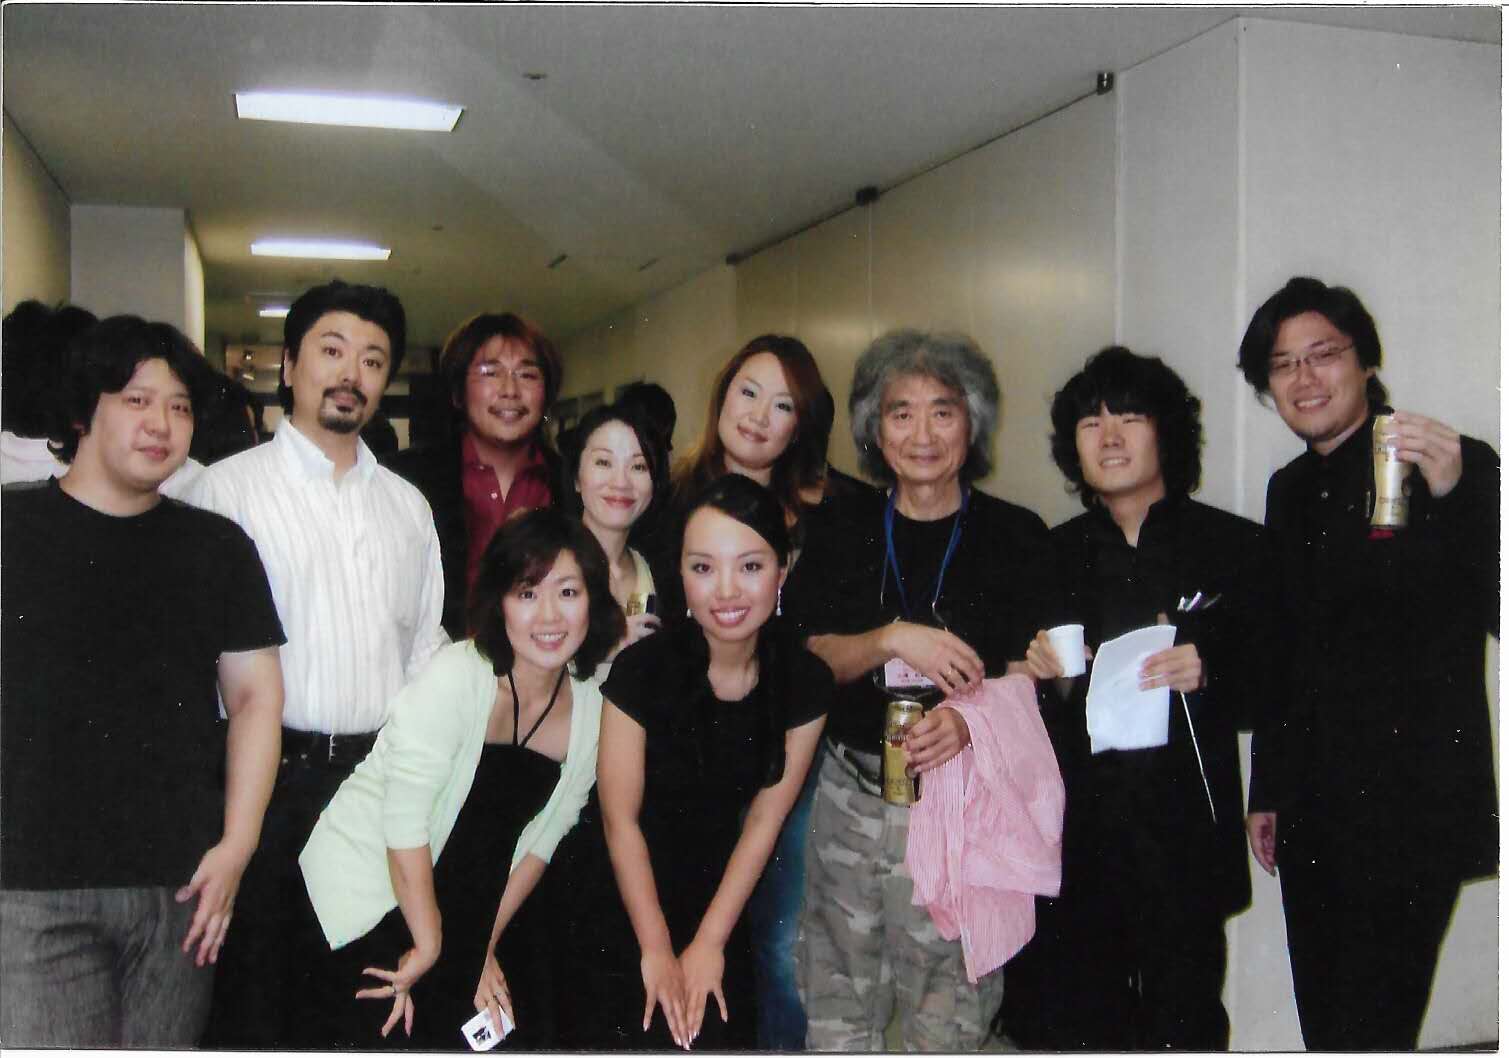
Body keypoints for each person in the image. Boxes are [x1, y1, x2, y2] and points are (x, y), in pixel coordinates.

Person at [0, 316, 285, 1046]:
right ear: (81, 411)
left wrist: (238, 844)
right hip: (31, 889)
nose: (161, 423)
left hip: (182, 887)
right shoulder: (10, 529)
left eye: (180, 405)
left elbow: (256, 697)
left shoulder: (216, 547)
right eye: (136, 399)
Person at [1236, 276, 1498, 1050]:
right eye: (1283, 365)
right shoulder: (1287, 489)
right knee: (1325, 1019)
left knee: (1375, 1024)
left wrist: (1457, 495)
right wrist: (1268, 788)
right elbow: (1285, 648)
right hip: (1316, 803)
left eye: (1323, 355)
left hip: (1411, 802)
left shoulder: (1446, 462)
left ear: (1364, 362)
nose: (1304, 378)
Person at [187, 279, 447, 1047]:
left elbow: (425, 650)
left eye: (372, 360)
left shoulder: (408, 508)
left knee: (363, 1005)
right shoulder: (224, 492)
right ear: (291, 365)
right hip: (265, 789)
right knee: (258, 1006)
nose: (351, 373)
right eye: (331, 351)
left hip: (373, 791)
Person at [793, 328, 1057, 1051]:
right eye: (899, 412)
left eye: (943, 411)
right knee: (839, 998)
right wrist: (888, 639)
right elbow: (808, 657)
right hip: (850, 797)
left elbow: (1035, 675)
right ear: (874, 430)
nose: (922, 433)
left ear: (972, 424)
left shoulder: (1017, 536)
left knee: (951, 1013)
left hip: (961, 800)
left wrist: (970, 725)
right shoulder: (839, 528)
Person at [1000, 346, 1270, 1049]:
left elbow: (1274, 682)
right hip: (1075, 836)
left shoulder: (1232, 547)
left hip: (1182, 832)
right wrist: (1036, 671)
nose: (1110, 436)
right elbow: (1015, 697)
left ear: (1166, 432)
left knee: (1186, 1019)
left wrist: (1209, 669)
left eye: (1129, 416)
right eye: (1091, 423)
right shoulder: (1046, 556)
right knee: (1079, 1018)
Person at [292, 509, 624, 1049]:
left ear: (594, 602)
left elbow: (544, 839)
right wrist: (429, 943)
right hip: (371, 896)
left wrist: (481, 946)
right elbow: (402, 822)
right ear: (499, 602)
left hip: (465, 913)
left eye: (568, 593)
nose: (549, 616)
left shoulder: (590, 709)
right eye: (526, 592)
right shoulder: (456, 675)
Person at [550, 474, 832, 1050]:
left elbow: (764, 820)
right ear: (679, 573)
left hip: (718, 903)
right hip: (623, 894)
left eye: (750, 566)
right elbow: (618, 821)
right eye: (703, 568)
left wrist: (708, 943)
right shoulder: (640, 672)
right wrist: (656, 949)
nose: (726, 591)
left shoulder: (805, 683)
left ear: (783, 570)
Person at [659, 334, 835, 1048]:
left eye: (783, 403)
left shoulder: (826, 515)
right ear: (722, 396)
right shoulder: (669, 497)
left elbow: (825, 647)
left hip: (784, 748)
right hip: (683, 742)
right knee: (684, 924)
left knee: (778, 943)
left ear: (802, 423)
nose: (760, 415)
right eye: (748, 392)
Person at [386, 312, 564, 638]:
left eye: (527, 374)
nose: (510, 389)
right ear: (458, 392)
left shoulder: (570, 484)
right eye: (490, 372)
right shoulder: (405, 480)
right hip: (436, 676)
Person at [557, 402, 671, 656]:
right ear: (576, 477)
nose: (621, 482)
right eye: (604, 462)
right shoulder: (547, 561)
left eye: (639, 466)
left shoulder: (651, 569)